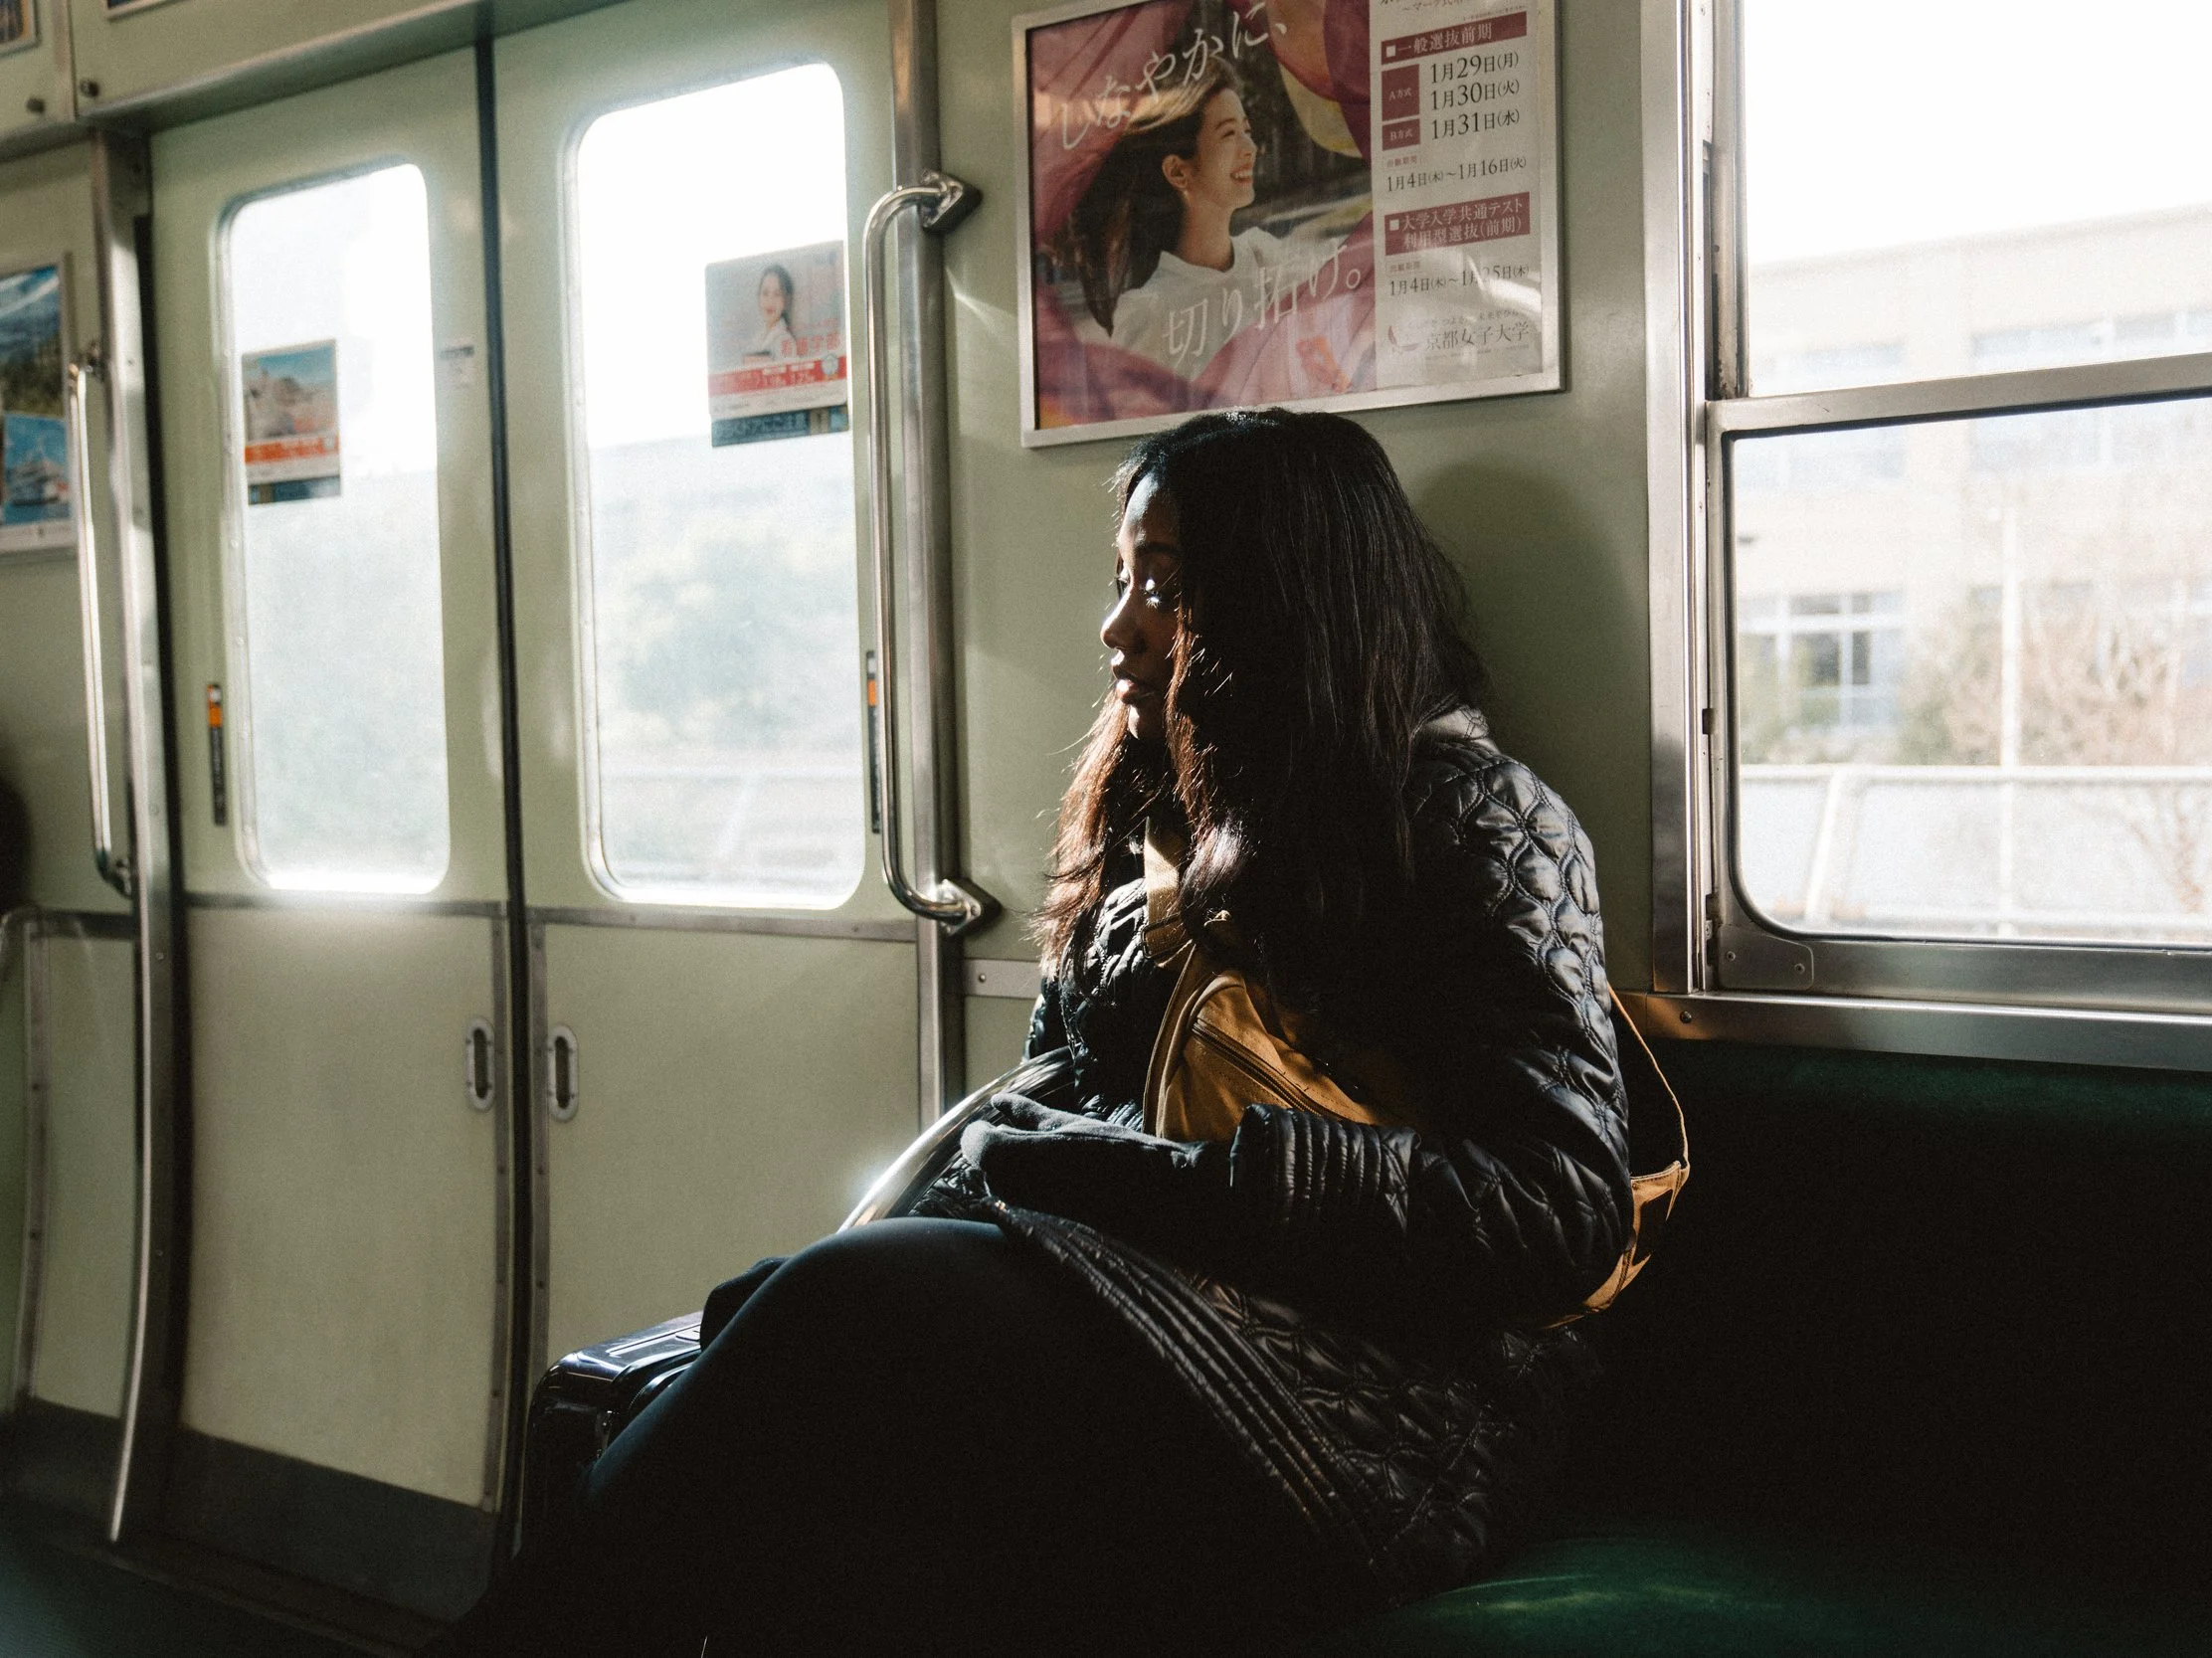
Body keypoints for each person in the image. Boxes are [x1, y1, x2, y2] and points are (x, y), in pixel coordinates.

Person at [427, 408, 1634, 1656]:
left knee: (843, 1314)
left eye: (1164, 586)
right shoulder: (1162, 801)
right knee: (773, 1344)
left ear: (1281, 601)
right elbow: (1060, 1097)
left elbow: (1559, 1203)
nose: (1119, 627)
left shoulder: (1470, 816)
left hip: (1373, 1407)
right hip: (1142, 1314)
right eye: (1121, 581)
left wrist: (1185, 1184)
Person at [1059, 65, 1300, 379]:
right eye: (1229, 134)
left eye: (1247, 131)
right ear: (1177, 171)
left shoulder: (1266, 262)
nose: (1251, 148)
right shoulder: (1147, 316)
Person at [743, 263, 798, 361]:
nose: (770, 301)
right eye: (765, 293)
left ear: (785, 301)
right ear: (758, 297)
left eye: (777, 294)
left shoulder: (785, 341)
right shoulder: (757, 338)